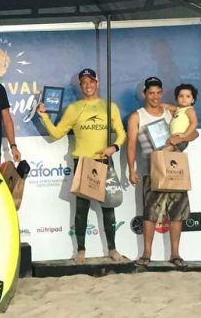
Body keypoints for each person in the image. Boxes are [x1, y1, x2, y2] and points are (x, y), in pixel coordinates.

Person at [37, 68, 126, 264]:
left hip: (104, 160)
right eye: (84, 82)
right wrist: (44, 116)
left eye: (91, 81)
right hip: (83, 163)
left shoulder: (109, 107)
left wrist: (114, 146)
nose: (88, 85)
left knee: (109, 208)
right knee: (81, 209)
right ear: (80, 85)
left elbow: (121, 133)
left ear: (97, 83)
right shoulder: (74, 109)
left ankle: (112, 249)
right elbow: (57, 133)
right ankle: (81, 251)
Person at [127, 77, 197, 268]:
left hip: (174, 166)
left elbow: (195, 132)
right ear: (144, 94)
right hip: (151, 169)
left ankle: (175, 254)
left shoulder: (171, 111)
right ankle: (146, 254)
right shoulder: (137, 116)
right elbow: (131, 144)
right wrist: (131, 169)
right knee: (150, 214)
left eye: (158, 92)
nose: (155, 96)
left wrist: (180, 138)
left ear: (162, 92)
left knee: (177, 212)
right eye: (151, 93)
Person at [162, 83, 198, 152]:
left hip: (180, 139)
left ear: (193, 100)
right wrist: (158, 105)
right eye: (181, 96)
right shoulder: (178, 109)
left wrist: (184, 135)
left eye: (188, 96)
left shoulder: (189, 110)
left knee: (166, 151)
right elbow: (167, 106)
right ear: (177, 99)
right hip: (173, 138)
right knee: (173, 154)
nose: (184, 98)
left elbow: (194, 123)